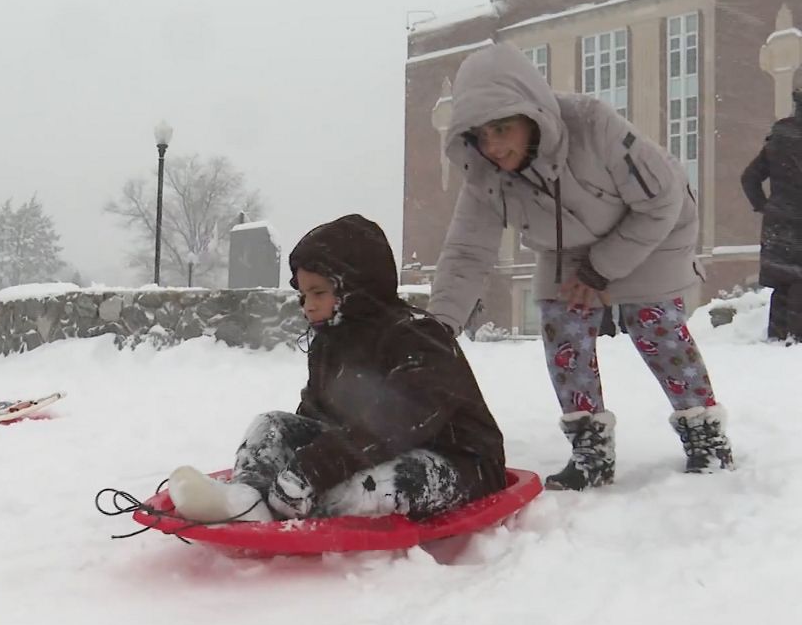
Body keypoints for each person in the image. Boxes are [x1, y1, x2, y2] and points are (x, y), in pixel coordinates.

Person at [428, 43, 733, 490]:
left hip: (653, 224)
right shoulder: (485, 176)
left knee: (653, 323)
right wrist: (439, 326)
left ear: (530, 115)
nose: (492, 146)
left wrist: (602, 269)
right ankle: (590, 450)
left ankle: (705, 437)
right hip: (566, 241)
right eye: (479, 134)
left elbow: (661, 200)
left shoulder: (592, 124)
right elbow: (466, 253)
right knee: (561, 327)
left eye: (501, 128)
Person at [166, 214, 507, 523]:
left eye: (318, 292)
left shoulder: (418, 336)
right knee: (273, 424)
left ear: (354, 288)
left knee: (383, 486)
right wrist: (291, 456)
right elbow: (318, 414)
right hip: (368, 451)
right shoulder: (330, 340)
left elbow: (397, 421)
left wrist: (315, 468)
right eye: (302, 295)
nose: (308, 306)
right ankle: (245, 498)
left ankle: (281, 509)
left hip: (455, 461)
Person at [741, 87, 802, 343]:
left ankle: (777, 336)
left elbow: (749, 178)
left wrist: (764, 205)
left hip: (778, 221)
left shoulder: (780, 137)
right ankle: (796, 339)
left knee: (783, 279)